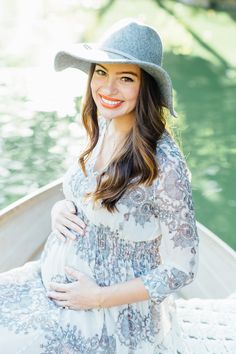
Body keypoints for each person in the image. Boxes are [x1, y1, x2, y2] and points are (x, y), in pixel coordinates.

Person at [0, 19, 199, 353]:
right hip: (49, 280)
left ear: (145, 87)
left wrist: (97, 298)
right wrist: (60, 209)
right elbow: (86, 191)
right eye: (102, 72)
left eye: (126, 78)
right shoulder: (105, 124)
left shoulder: (165, 164)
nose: (108, 89)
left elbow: (182, 268)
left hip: (109, 313)